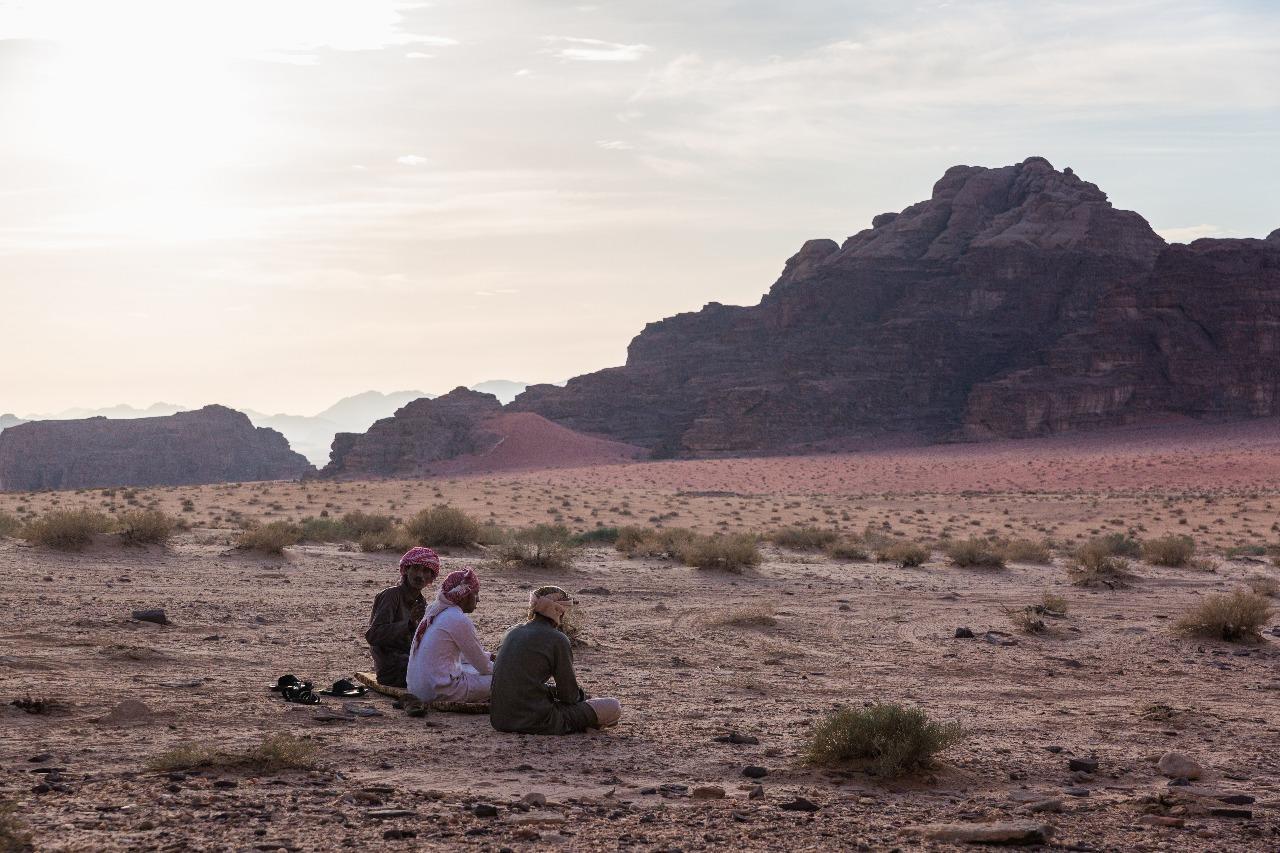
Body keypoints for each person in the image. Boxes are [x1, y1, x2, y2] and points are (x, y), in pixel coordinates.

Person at [489, 585, 621, 735]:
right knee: (613, 706)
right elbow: (569, 696)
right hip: (538, 720)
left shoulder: (511, 632)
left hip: (500, 720)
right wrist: (581, 697)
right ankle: (582, 724)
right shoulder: (557, 639)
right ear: (559, 611)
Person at [406, 568, 493, 703]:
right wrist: (503, 666)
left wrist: (488, 657)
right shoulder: (457, 618)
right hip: (440, 692)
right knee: (503, 678)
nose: (478, 600)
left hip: (416, 689)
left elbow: (462, 656)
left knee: (469, 668)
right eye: (475, 594)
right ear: (464, 594)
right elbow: (483, 666)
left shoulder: (434, 610)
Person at [365, 547, 438, 688]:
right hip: (392, 669)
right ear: (406, 570)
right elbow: (373, 635)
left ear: (431, 578)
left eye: (425, 571)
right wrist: (409, 624)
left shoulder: (422, 603)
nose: (420, 575)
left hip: (411, 663)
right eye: (416, 568)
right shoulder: (391, 596)